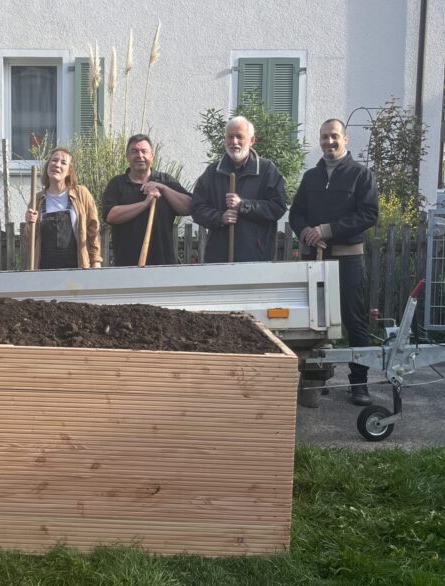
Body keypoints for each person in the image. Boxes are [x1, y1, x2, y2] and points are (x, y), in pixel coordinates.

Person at [289, 118, 379, 405]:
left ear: (345, 139)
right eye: (325, 137)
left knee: (355, 322)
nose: (329, 142)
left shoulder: (360, 175)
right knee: (315, 323)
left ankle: (359, 384)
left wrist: (327, 230)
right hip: (315, 260)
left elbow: (369, 215)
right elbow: (296, 214)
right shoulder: (311, 177)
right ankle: (317, 380)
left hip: (348, 261)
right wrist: (306, 233)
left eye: (334, 136)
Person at [191, 116, 287, 263]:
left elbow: (277, 207)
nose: (234, 142)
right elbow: (197, 208)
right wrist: (220, 217)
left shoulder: (267, 170)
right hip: (218, 259)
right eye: (230, 137)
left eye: (239, 137)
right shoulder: (212, 172)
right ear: (225, 140)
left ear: (252, 140)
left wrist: (243, 205)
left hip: (255, 259)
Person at [102, 134, 191, 266]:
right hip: (127, 265)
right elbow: (110, 215)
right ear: (127, 157)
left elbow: (189, 206)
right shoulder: (117, 184)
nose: (140, 156)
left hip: (163, 264)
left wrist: (162, 188)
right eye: (134, 151)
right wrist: (145, 204)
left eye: (144, 151)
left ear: (152, 156)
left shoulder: (166, 181)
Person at [24, 147, 102, 269]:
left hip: (77, 267)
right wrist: (30, 223)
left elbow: (93, 229)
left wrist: (96, 261)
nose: (57, 164)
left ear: (69, 171)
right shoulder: (37, 200)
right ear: (48, 165)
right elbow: (31, 240)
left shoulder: (81, 194)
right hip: (45, 269)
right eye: (54, 160)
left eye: (63, 162)